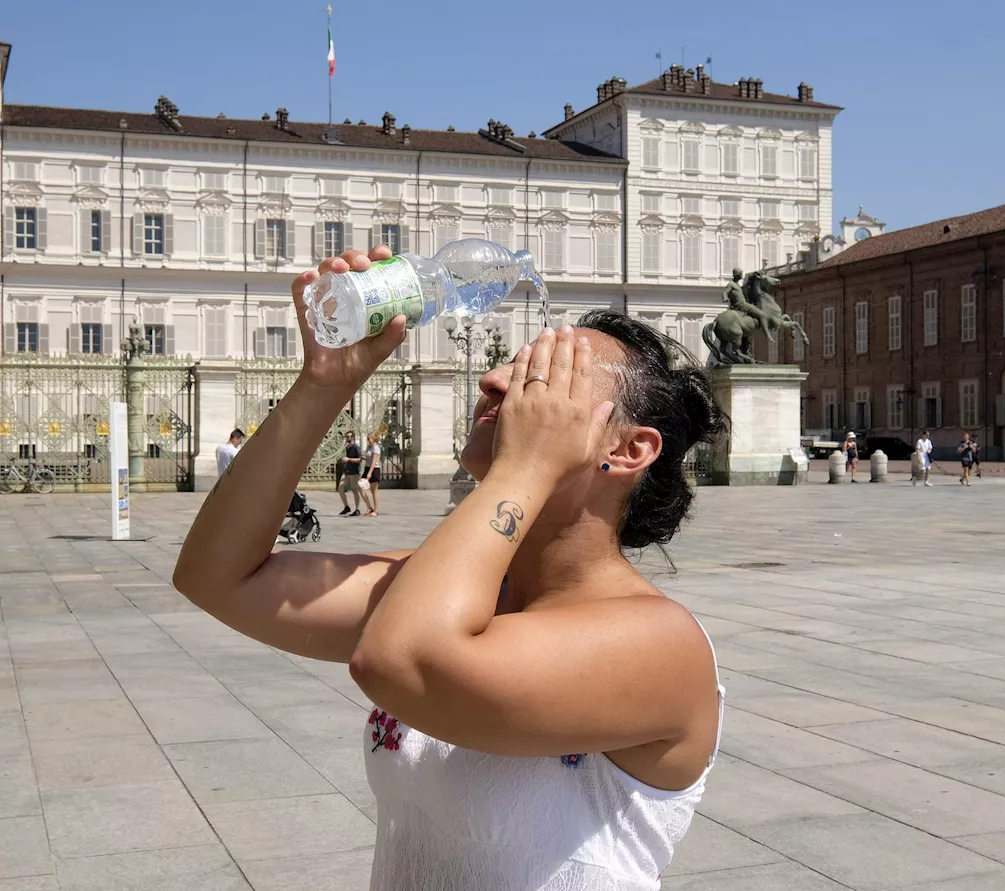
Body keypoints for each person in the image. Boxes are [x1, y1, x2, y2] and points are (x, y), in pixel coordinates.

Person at [171, 245, 728, 891]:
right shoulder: (449, 594)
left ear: (630, 449)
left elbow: (403, 660)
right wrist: (325, 383)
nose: (495, 381)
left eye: (547, 378)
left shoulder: (659, 643)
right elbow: (219, 577)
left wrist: (524, 465)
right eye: (513, 365)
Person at [338, 430, 363, 516]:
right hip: (347, 472)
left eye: (348, 437)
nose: (346, 438)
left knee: (354, 490)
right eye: (346, 437)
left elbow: (360, 459)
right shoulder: (348, 447)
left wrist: (349, 459)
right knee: (340, 487)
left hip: (354, 472)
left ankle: (357, 509)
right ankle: (346, 506)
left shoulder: (356, 447)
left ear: (352, 437)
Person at [361, 432, 382, 517]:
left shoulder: (376, 448)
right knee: (361, 487)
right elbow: (368, 458)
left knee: (374, 491)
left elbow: (374, 462)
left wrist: (370, 473)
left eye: (369, 438)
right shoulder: (369, 448)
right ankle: (369, 507)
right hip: (367, 467)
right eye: (367, 439)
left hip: (374, 469)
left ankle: (376, 510)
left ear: (374, 439)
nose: (368, 440)